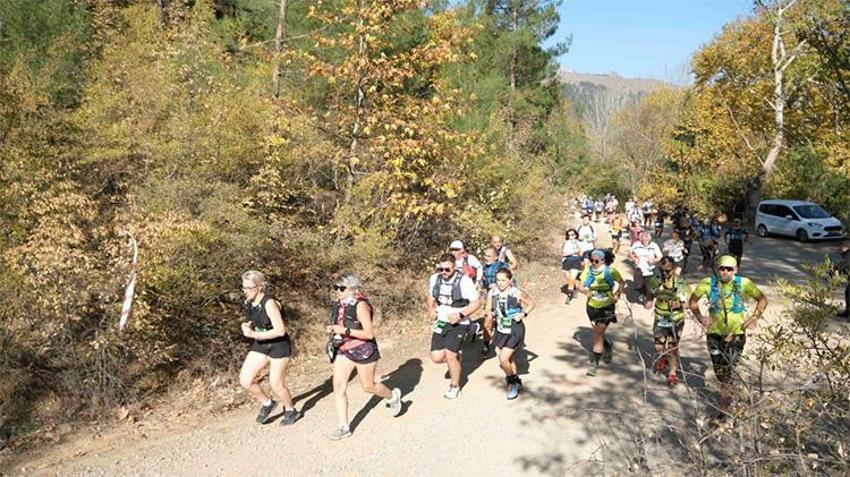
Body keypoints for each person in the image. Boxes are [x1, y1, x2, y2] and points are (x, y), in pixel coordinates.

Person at [688, 255, 768, 417]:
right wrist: (701, 318)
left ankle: (724, 407)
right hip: (714, 334)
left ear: (736, 270)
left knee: (727, 370)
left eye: (729, 269)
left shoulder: (743, 283)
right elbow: (693, 301)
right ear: (717, 269)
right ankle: (728, 395)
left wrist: (754, 317)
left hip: (736, 335)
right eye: (722, 268)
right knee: (719, 371)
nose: (725, 272)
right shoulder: (707, 283)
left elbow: (762, 299)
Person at [327, 274, 402, 439]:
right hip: (344, 349)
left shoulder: (360, 306)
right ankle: (344, 426)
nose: (337, 291)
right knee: (338, 386)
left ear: (352, 289)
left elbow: (369, 334)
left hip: (363, 350)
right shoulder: (337, 305)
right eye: (336, 288)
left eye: (342, 288)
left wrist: (344, 331)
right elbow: (339, 324)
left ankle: (392, 396)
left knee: (368, 386)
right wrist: (333, 330)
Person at [239, 270, 300, 426]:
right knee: (245, 380)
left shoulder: (270, 303)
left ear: (259, 287)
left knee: (276, 384)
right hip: (261, 344)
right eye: (243, 288)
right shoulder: (249, 302)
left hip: (279, 345)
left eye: (249, 288)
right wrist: (248, 325)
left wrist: (254, 334)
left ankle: (290, 409)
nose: (245, 291)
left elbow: (280, 330)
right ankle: (267, 403)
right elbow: (255, 320)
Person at [427, 254, 482, 399]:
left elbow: (476, 302)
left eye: (447, 269)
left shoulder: (464, 281)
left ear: (454, 267)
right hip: (441, 320)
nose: (444, 272)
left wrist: (461, 315)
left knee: (450, 355)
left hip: (459, 322)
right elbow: (431, 296)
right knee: (437, 357)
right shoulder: (435, 278)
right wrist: (431, 310)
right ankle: (457, 357)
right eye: (441, 269)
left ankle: (455, 386)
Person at [486, 268, 535, 399]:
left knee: (503, 360)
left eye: (503, 280)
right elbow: (488, 309)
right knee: (507, 358)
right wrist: (489, 315)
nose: (500, 283)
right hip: (501, 328)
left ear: (510, 280)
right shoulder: (492, 292)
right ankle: (515, 381)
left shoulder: (516, 293)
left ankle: (511, 381)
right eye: (498, 280)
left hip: (515, 328)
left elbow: (531, 304)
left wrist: (523, 313)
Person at [578, 249, 626, 377]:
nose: (593, 263)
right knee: (598, 332)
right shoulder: (588, 271)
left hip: (607, 306)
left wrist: (617, 294)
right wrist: (584, 291)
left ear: (603, 260)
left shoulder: (610, 271)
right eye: (591, 260)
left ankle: (594, 364)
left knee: (597, 335)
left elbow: (622, 282)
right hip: (592, 306)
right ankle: (607, 344)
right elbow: (580, 285)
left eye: (596, 261)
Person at [645, 257, 692, 386]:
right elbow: (650, 292)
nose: (665, 274)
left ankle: (672, 373)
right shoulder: (655, 280)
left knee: (672, 347)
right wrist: (648, 301)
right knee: (658, 347)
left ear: (673, 268)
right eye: (662, 271)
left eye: (668, 271)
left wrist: (678, 305)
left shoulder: (680, 282)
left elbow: (689, 304)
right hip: (660, 318)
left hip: (675, 319)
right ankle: (664, 358)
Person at [481, 246, 510, 355]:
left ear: (496, 257)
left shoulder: (502, 266)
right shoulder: (483, 267)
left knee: (504, 320)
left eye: (489, 256)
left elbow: (511, 281)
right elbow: (483, 282)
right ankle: (486, 345)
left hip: (503, 297)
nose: (486, 258)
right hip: (490, 297)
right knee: (488, 320)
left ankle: (507, 344)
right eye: (485, 255)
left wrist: (498, 285)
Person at [629, 232, 663, 303]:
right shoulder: (636, 244)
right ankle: (642, 294)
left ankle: (648, 299)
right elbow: (630, 253)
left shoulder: (654, 246)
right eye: (644, 238)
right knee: (639, 285)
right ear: (641, 238)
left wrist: (654, 260)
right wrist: (634, 259)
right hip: (639, 268)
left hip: (650, 269)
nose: (645, 240)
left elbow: (660, 256)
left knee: (649, 286)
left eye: (647, 238)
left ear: (650, 239)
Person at [561, 228, 583, 304]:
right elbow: (563, 254)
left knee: (572, 278)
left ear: (576, 235)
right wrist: (573, 251)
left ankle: (569, 296)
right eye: (569, 235)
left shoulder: (579, 243)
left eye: (572, 235)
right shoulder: (566, 243)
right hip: (566, 261)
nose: (571, 236)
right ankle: (574, 290)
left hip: (576, 261)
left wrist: (579, 249)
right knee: (569, 279)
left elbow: (581, 254)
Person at [837, 244, 850, 318]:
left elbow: (843, 265)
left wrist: (832, 271)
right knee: (847, 293)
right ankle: (847, 312)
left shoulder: (848, 255)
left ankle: (847, 313)